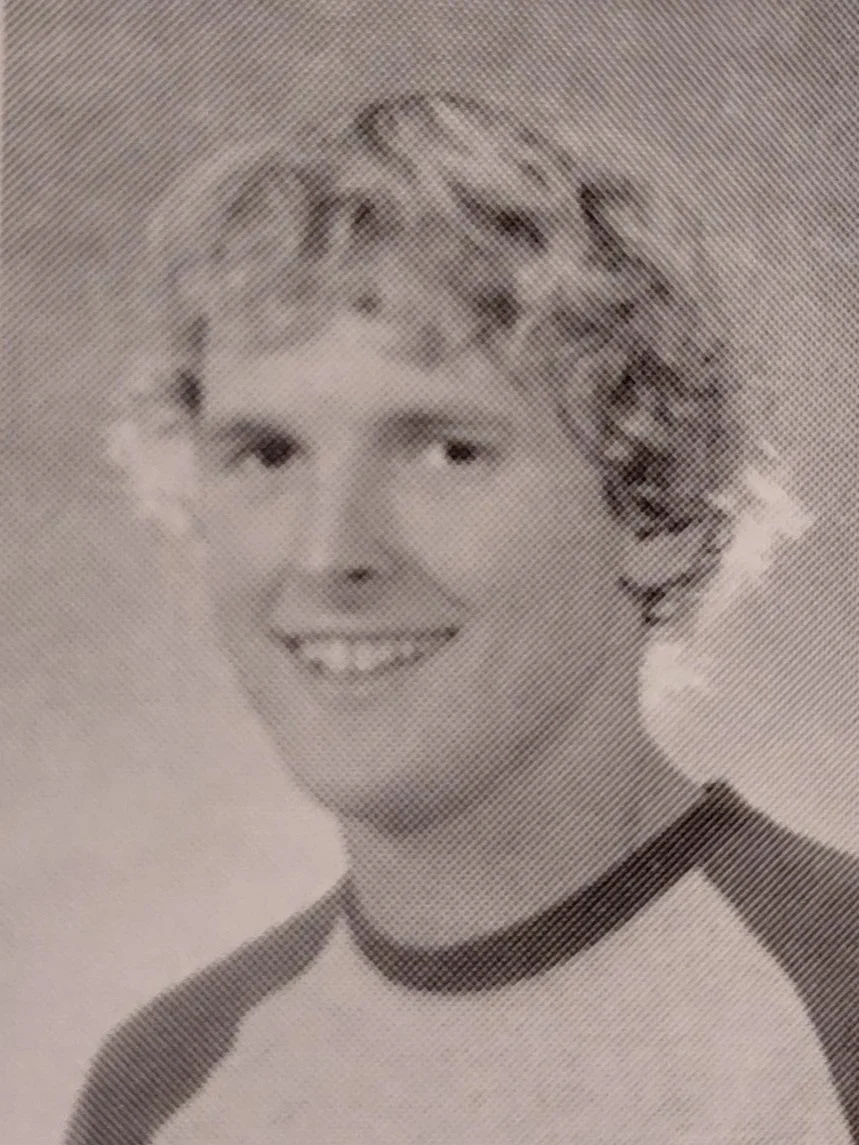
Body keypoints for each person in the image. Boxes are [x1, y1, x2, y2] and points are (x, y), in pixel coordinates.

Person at [64, 92, 859, 1144]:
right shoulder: (162, 1088)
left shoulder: (831, 1007)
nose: (329, 551)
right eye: (267, 453)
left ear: (656, 504)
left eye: (445, 449)